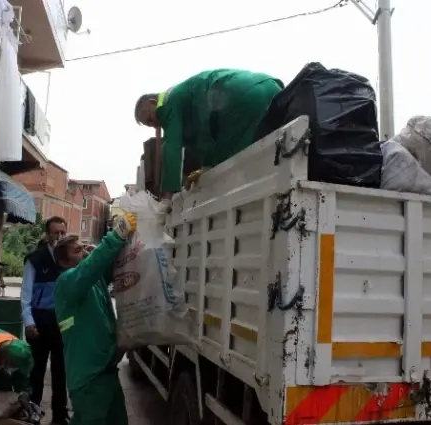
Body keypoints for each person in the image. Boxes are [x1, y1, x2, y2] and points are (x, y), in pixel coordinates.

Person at [134, 69, 283, 198]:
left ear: (153, 102)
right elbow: (205, 138)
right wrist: (205, 168)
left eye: (150, 119)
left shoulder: (168, 104)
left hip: (245, 97)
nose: (155, 125)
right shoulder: (186, 96)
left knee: (231, 168)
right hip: (271, 86)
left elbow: (172, 147)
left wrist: (167, 196)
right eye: (149, 125)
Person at [54, 213, 137, 425]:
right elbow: (91, 267)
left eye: (84, 247)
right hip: (89, 377)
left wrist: (126, 242)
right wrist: (115, 235)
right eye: (77, 250)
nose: (83, 252)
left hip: (106, 372)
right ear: (64, 262)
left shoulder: (94, 280)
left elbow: (105, 265)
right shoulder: (66, 283)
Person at [20, 216, 69, 425]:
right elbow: (25, 295)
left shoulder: (69, 260)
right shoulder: (35, 260)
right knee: (36, 371)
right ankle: (33, 412)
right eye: (55, 232)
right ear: (47, 235)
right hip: (40, 322)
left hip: (63, 323)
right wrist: (29, 322)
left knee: (61, 372)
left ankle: (59, 416)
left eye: (62, 233)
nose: (59, 236)